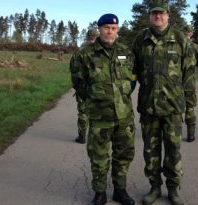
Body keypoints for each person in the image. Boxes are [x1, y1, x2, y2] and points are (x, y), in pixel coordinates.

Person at [132, 1, 196, 205]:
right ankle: (154, 188)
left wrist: (189, 104)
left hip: (173, 107)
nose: (158, 16)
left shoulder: (180, 40)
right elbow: (131, 68)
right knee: (150, 150)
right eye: (154, 13)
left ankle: (173, 189)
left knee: (173, 150)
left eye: (161, 13)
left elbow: (189, 74)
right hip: (149, 106)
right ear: (149, 16)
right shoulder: (141, 39)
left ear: (168, 15)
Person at [70, 13, 136, 205]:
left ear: (118, 30)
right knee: (98, 156)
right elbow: (78, 83)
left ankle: (120, 190)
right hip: (100, 117)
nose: (110, 31)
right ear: (99, 29)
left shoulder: (126, 52)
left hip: (124, 116)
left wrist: (121, 96)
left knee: (123, 155)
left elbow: (132, 80)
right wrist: (95, 100)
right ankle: (100, 193)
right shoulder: (84, 54)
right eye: (106, 27)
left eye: (114, 28)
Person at [73, 28, 99, 144]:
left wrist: (77, 87)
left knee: (83, 112)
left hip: (82, 87)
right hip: (98, 87)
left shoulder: (79, 51)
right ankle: (96, 137)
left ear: (87, 36)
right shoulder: (100, 50)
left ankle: (82, 136)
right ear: (96, 36)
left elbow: (73, 70)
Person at [182, 25, 198, 142]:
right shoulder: (196, 48)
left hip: (174, 84)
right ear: (191, 34)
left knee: (173, 109)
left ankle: (171, 135)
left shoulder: (176, 46)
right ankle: (191, 135)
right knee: (189, 108)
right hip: (189, 83)